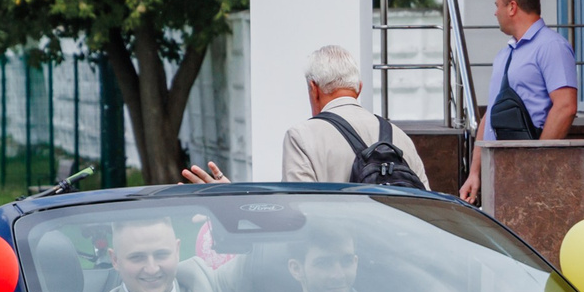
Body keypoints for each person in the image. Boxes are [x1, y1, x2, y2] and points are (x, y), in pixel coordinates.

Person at [178, 44, 431, 188]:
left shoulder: (302, 137)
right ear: (359, 88)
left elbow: (297, 215)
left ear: (314, 88)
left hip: (337, 270)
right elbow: (426, 204)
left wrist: (232, 200)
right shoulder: (397, 136)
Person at [459, 0, 579, 205]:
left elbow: (565, 106)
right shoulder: (505, 54)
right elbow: (490, 114)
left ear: (512, 7)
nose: (495, 13)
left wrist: (536, 164)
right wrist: (475, 173)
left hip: (527, 170)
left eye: (497, 5)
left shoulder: (551, 46)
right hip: (500, 169)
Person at [90, 215, 224, 292]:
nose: (152, 269)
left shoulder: (202, 278)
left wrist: (233, 208)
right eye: (137, 257)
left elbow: (245, 268)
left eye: (161, 255)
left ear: (177, 251)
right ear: (115, 260)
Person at [260, 224, 372, 292]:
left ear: (356, 263)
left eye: (347, 261)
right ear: (296, 269)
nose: (339, 275)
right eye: (324, 263)